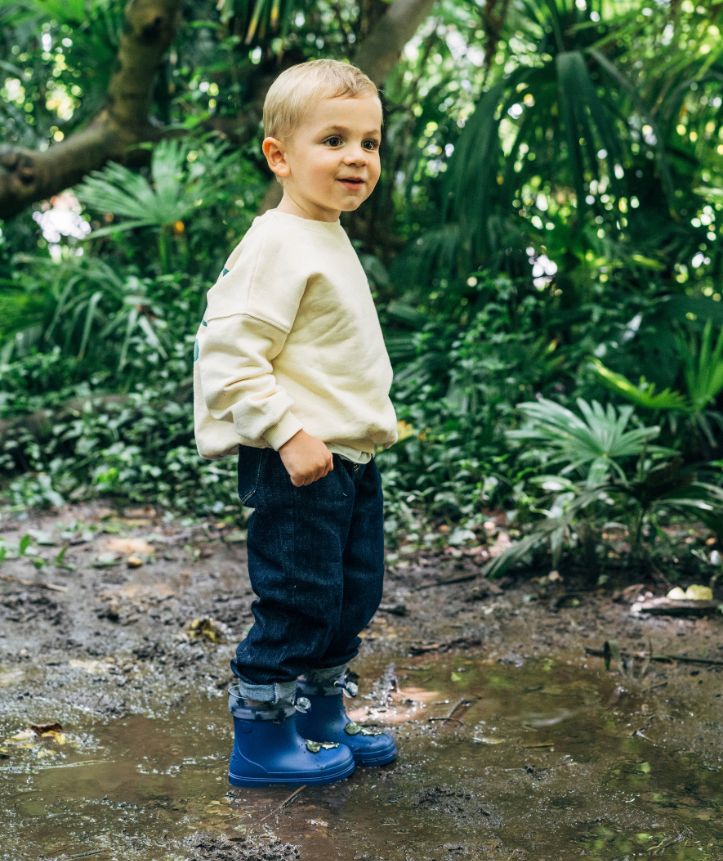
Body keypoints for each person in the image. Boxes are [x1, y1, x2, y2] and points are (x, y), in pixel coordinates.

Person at [193, 59, 398, 787]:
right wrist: (285, 430)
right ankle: (261, 737)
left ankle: (319, 717)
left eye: (369, 142)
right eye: (333, 139)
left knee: (351, 593)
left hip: (349, 457)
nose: (356, 157)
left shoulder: (325, 233)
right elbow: (227, 357)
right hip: (297, 460)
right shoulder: (274, 242)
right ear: (278, 155)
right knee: (298, 597)